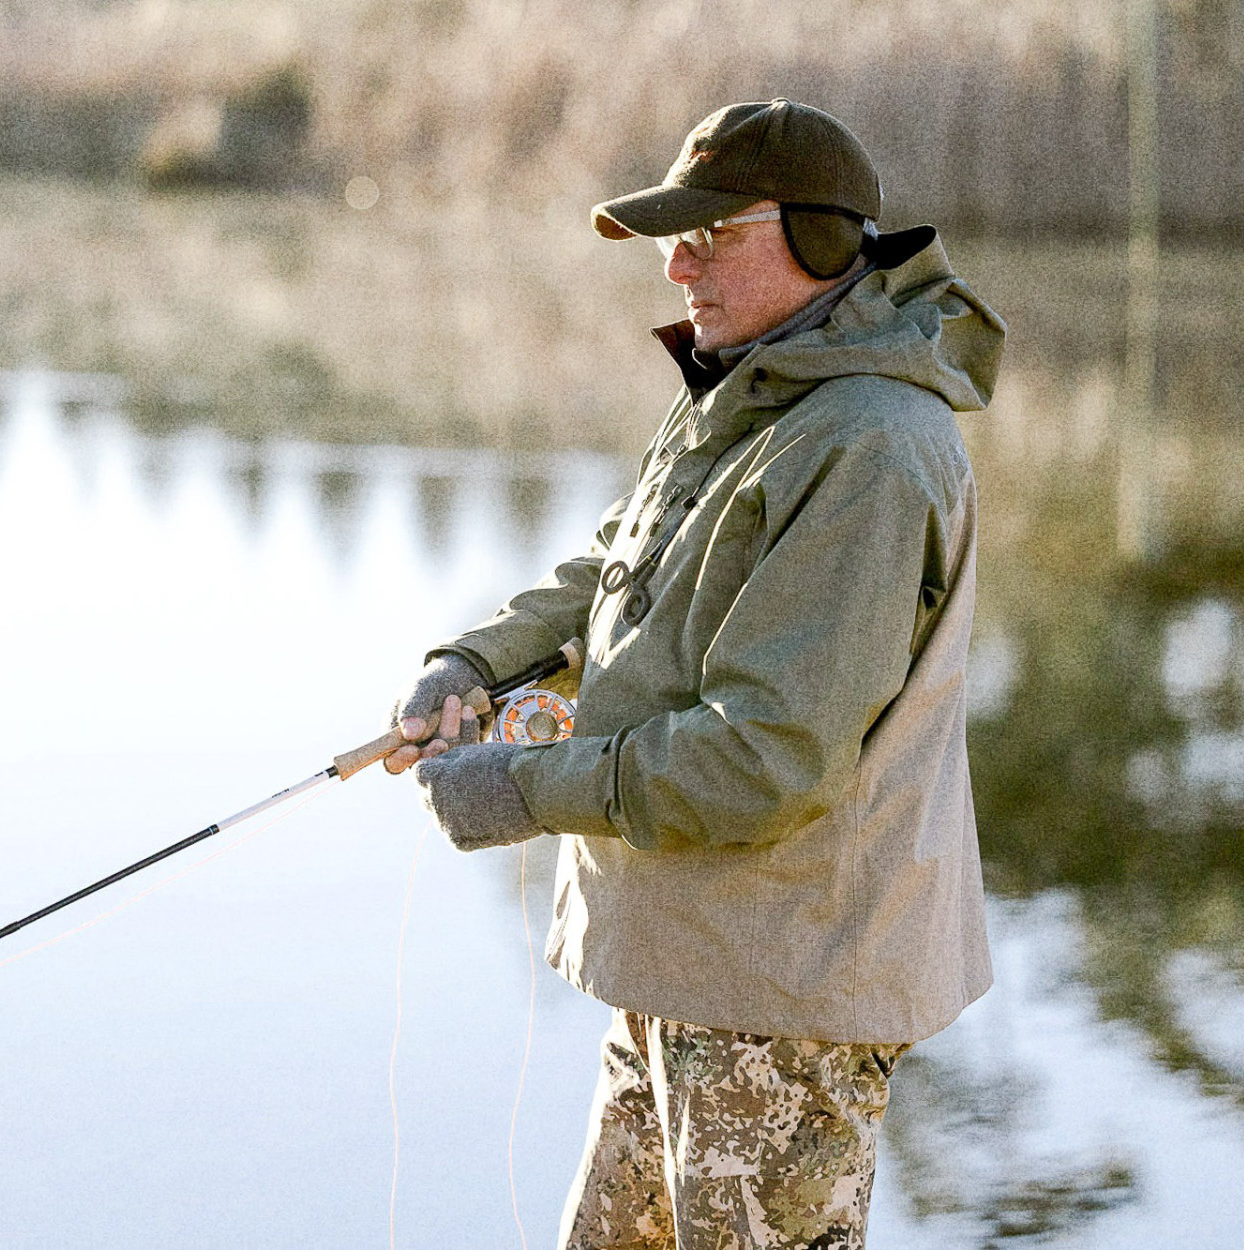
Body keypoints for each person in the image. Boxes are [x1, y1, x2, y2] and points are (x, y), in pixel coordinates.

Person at [383, 98, 1005, 1250]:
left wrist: (523, 786)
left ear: (822, 240)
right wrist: (474, 660)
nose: (676, 264)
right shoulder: (755, 389)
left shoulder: (868, 445)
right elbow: (620, 566)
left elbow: (760, 757)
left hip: (780, 994)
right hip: (689, 964)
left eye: (712, 233)